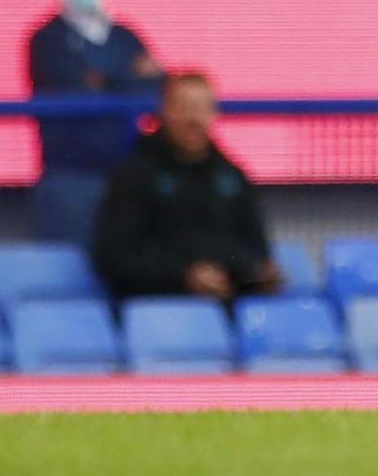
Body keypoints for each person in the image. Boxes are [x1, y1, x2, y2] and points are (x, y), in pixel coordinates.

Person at [90, 72, 283, 303]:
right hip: (157, 311)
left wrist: (256, 273)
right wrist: (182, 277)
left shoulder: (233, 176)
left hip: (231, 308)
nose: (194, 119)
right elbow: (114, 258)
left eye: (202, 109)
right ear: (165, 111)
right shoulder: (133, 175)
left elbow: (256, 249)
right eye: (185, 107)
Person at [27, 0, 164, 246]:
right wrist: (127, 77)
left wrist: (106, 80)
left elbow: (157, 86)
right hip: (70, 176)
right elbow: (72, 85)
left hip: (126, 173)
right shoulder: (46, 40)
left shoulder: (126, 36)